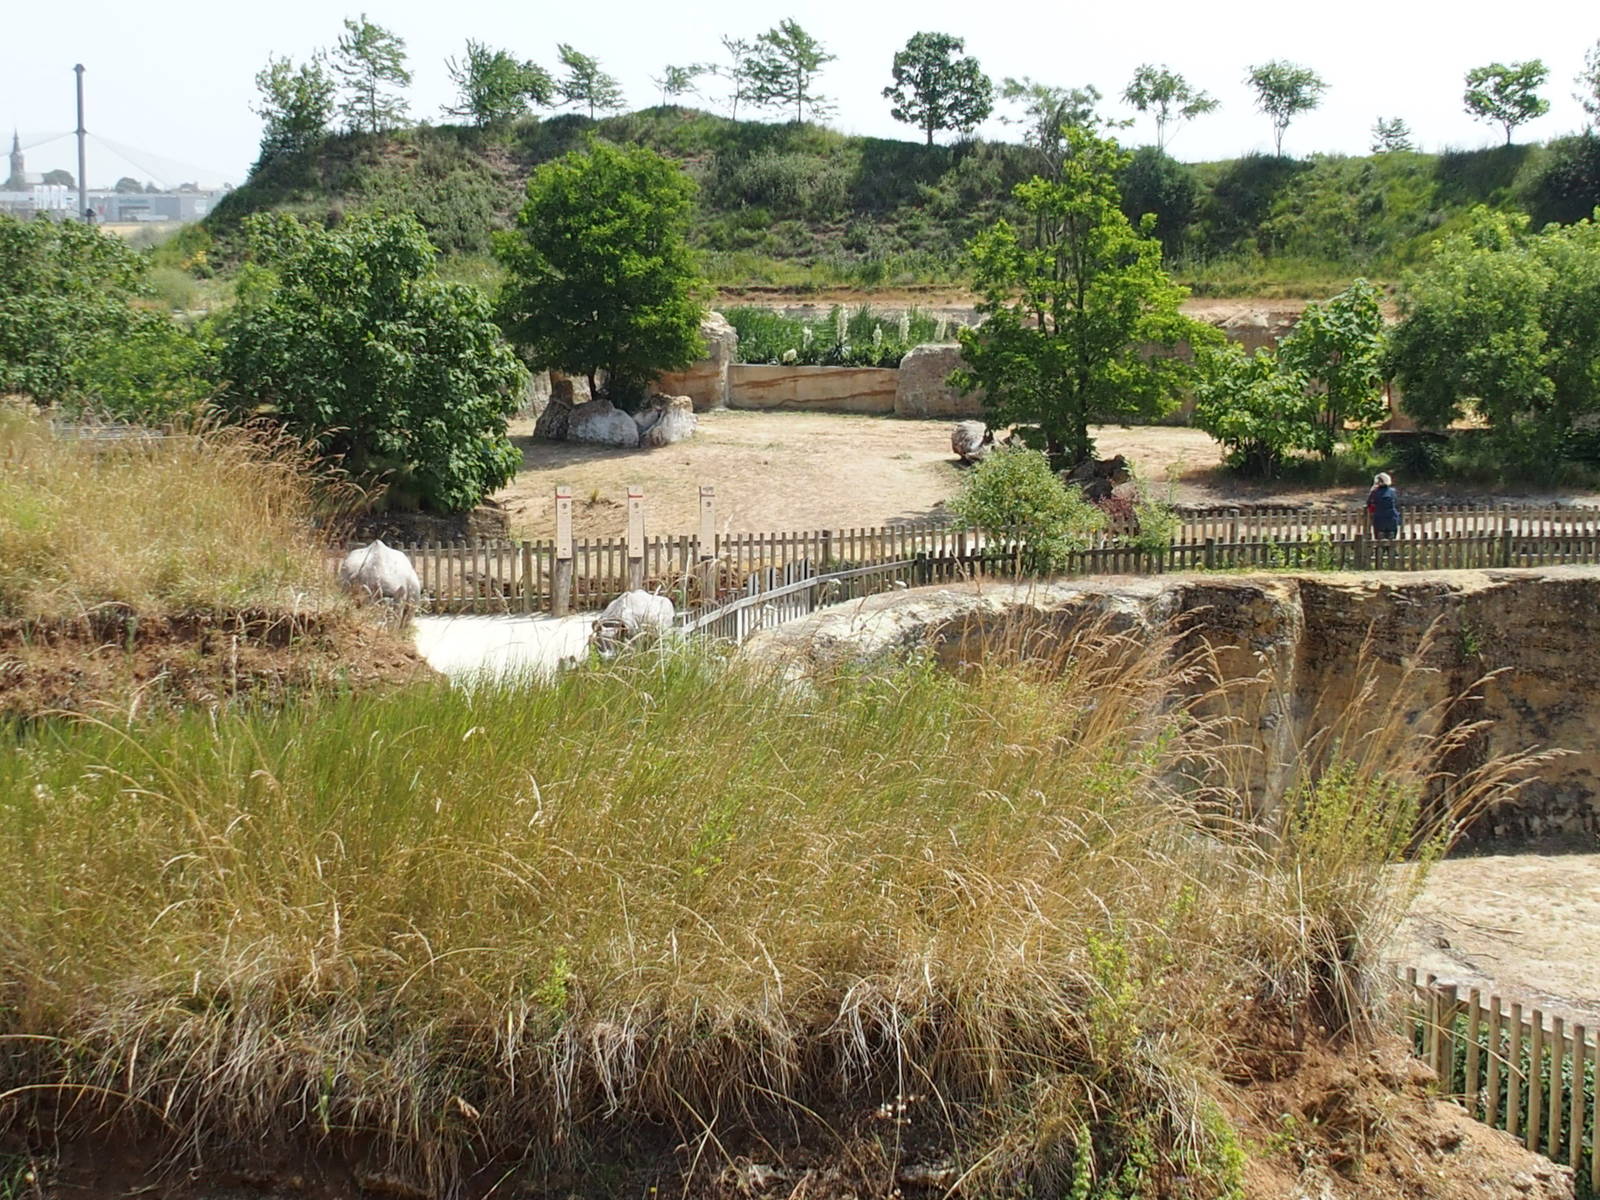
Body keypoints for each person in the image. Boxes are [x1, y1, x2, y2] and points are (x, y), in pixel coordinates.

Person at [1367, 472, 1401, 540]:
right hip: (1392, 520)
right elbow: (1397, 504)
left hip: (1379, 520)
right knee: (1391, 542)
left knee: (1379, 542)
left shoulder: (1375, 492)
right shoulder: (1393, 491)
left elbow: (1369, 503)